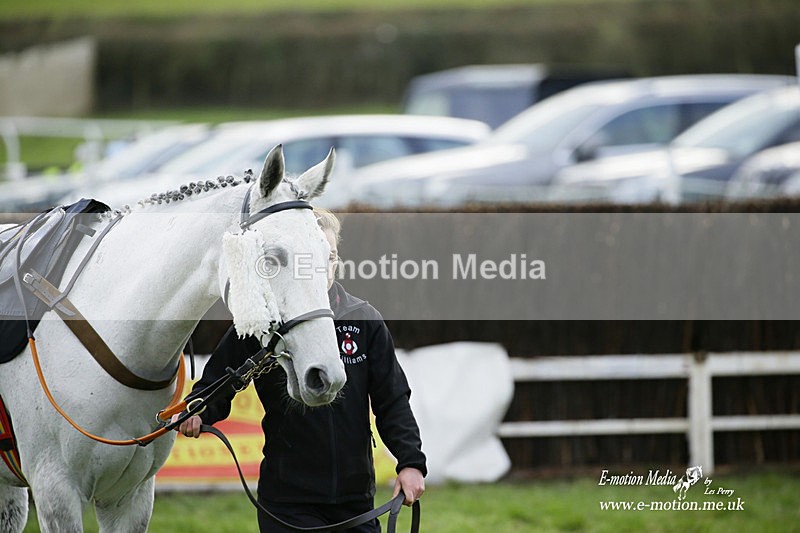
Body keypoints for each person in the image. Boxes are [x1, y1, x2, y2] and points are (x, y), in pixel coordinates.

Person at [176, 208, 426, 532]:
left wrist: (410, 463)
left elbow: (392, 400)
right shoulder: (265, 321)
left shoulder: (364, 320)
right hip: (287, 504)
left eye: (331, 257)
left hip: (355, 502)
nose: (323, 267)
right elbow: (219, 381)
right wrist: (199, 410)